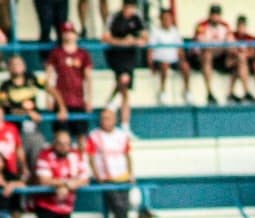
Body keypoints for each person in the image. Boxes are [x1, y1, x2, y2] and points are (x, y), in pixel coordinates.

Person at [84, 108, 132, 218]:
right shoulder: (95, 136)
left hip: (122, 177)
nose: (106, 121)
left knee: (124, 209)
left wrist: (130, 173)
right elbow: (91, 156)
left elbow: (127, 155)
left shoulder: (122, 135)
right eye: (103, 118)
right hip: (107, 179)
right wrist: (97, 174)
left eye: (108, 118)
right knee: (119, 207)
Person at [192, 4, 252, 105]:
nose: (215, 17)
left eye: (217, 14)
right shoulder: (202, 26)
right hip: (202, 59)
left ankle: (243, 92)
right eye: (213, 14)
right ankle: (209, 93)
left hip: (221, 57)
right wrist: (222, 47)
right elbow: (203, 46)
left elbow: (231, 43)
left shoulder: (225, 26)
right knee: (207, 55)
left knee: (240, 58)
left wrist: (234, 53)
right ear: (209, 15)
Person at [102, 0, 146, 131]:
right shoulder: (114, 18)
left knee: (124, 88)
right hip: (116, 55)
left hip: (130, 56)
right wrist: (122, 42)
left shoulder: (137, 19)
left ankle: (111, 104)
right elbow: (105, 37)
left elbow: (145, 38)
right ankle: (122, 120)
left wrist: (134, 41)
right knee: (124, 81)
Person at [46, 22, 93, 141]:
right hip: (61, 99)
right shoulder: (56, 53)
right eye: (65, 32)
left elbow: (88, 78)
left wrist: (89, 99)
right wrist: (49, 99)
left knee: (82, 135)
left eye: (71, 32)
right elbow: (49, 77)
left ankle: (81, 159)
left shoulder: (83, 54)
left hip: (78, 100)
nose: (68, 35)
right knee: (61, 135)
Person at [148, 6, 192, 105]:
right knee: (164, 65)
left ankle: (187, 91)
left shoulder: (175, 32)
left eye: (169, 18)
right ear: (161, 19)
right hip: (160, 60)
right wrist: (150, 64)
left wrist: (183, 60)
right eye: (165, 18)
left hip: (174, 60)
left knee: (186, 67)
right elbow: (150, 50)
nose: (167, 20)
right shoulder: (155, 32)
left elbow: (180, 49)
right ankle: (162, 91)